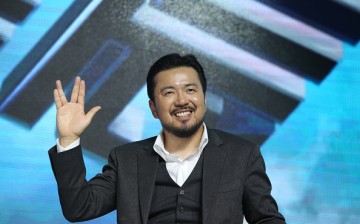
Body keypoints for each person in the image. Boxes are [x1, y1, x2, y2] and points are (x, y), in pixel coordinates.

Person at [49, 53, 286, 224]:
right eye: (169, 92)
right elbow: (78, 208)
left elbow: (267, 219)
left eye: (191, 90)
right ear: (153, 108)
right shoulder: (126, 159)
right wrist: (69, 139)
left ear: (204, 99)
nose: (182, 100)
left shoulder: (242, 154)